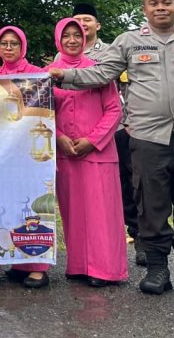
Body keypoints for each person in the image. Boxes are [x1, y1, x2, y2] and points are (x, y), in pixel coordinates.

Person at [50, 0, 174, 300]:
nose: (161, 8)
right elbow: (100, 74)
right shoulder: (129, 42)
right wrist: (63, 75)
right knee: (150, 204)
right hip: (148, 138)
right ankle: (156, 269)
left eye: (167, 2)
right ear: (145, 9)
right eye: (154, 3)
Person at [52, 17, 127, 287]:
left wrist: (93, 140)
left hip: (98, 153)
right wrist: (59, 137)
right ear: (58, 40)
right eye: (66, 36)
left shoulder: (99, 71)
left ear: (84, 39)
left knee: (101, 213)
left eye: (77, 35)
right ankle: (78, 265)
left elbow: (114, 110)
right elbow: (43, 113)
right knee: (73, 212)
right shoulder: (48, 73)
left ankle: (105, 270)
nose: (72, 40)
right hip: (65, 154)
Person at [69, 1, 141, 264]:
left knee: (127, 185)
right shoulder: (59, 58)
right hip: (76, 136)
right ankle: (85, 254)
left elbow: (127, 88)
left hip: (117, 129)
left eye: (87, 20)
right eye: (77, 21)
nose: (83, 25)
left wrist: (131, 119)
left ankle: (138, 235)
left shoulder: (112, 52)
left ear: (97, 25)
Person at [0, 25, 51, 288]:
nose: (8, 48)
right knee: (10, 205)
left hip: (29, 151)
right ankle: (19, 262)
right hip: (1, 154)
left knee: (33, 204)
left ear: (22, 47)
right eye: (4, 43)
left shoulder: (36, 76)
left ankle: (38, 266)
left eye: (13, 44)